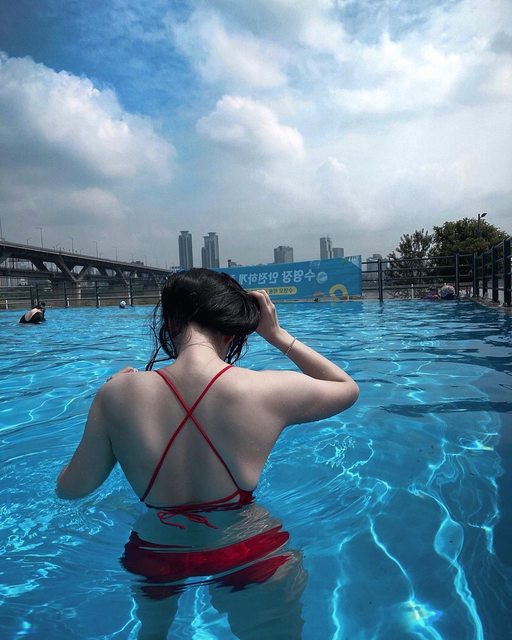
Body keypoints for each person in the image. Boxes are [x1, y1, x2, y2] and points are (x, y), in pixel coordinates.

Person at [56, 268, 359, 637]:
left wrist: (108, 397)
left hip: (156, 553)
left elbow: (72, 489)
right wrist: (277, 335)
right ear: (231, 330)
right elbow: (346, 387)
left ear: (169, 321)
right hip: (247, 548)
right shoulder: (265, 388)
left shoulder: (116, 393)